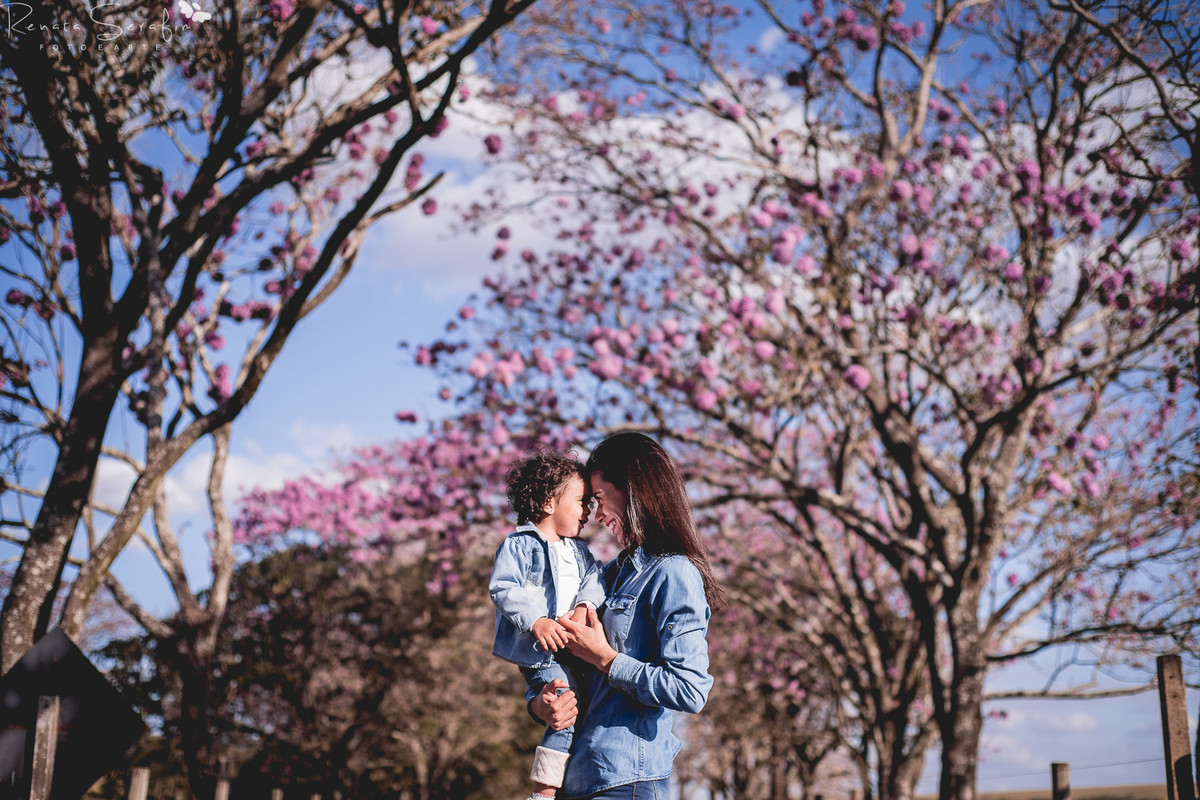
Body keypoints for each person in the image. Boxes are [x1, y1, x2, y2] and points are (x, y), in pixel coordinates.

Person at [531, 432, 727, 800]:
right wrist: (540, 703)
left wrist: (606, 658)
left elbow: (690, 689)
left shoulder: (673, 573)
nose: (598, 515)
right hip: (577, 777)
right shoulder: (607, 576)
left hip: (627, 782)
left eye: (601, 499)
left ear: (635, 491)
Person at [490, 450, 606, 800]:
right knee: (564, 708)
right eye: (581, 502)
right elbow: (504, 587)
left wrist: (586, 605)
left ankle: (573, 783)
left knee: (581, 708)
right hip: (542, 653)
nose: (589, 511)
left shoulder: (579, 550)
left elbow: (595, 578)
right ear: (547, 503)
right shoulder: (520, 545)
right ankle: (542, 791)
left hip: (575, 651)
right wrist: (536, 620)